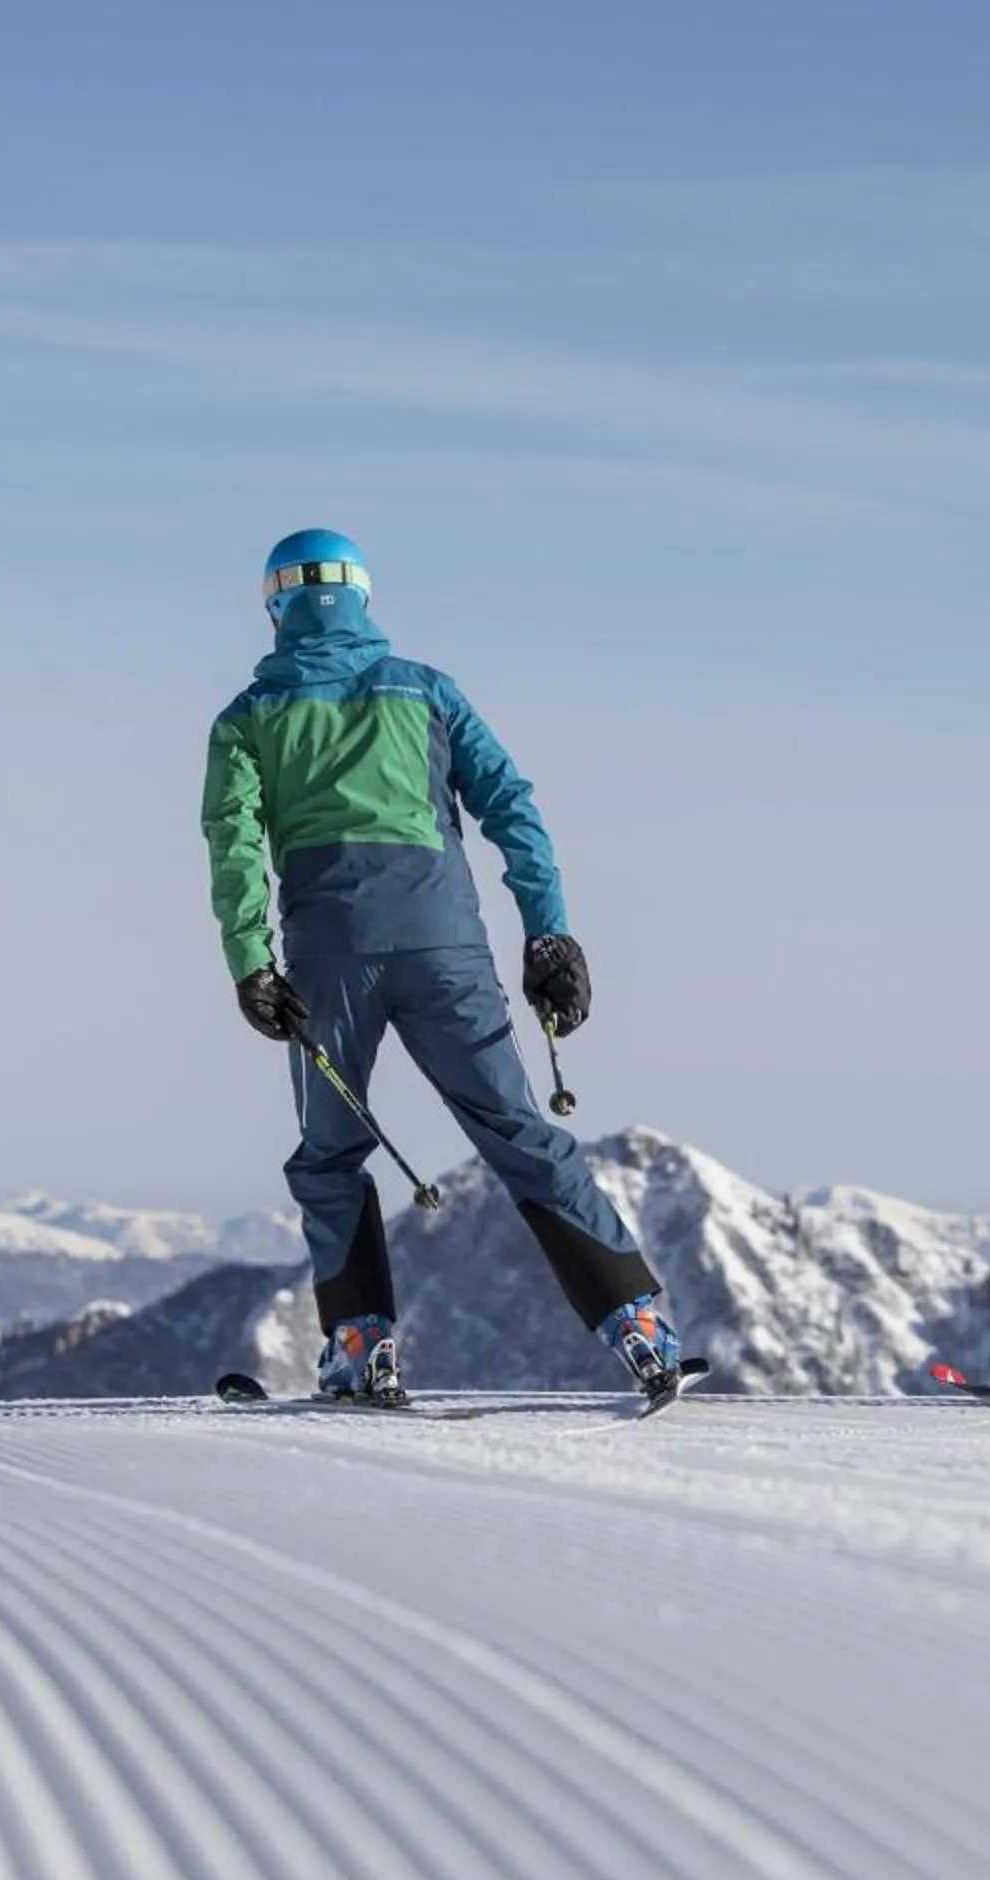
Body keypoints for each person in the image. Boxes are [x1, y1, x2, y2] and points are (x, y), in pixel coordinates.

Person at [201, 528, 681, 1406]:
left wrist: (251, 964)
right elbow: (512, 808)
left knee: (330, 1155)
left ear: (274, 606)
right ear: (363, 596)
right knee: (519, 1133)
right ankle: (638, 1323)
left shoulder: (247, 718)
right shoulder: (426, 691)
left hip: (329, 960)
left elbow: (232, 847)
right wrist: (549, 934)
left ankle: (361, 1346)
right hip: (446, 951)